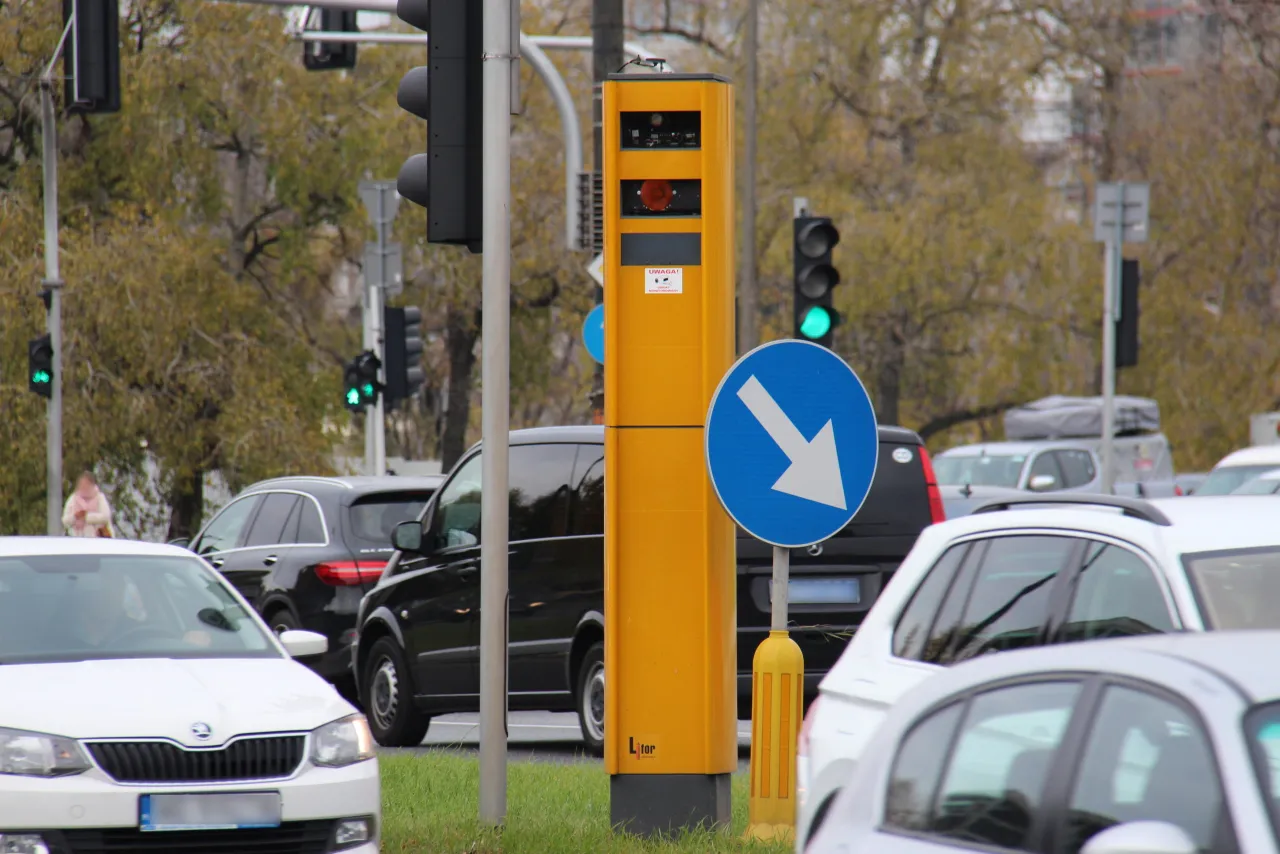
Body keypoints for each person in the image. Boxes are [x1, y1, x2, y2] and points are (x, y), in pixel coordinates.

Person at [62, 471, 113, 538]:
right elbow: (65, 520)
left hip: (99, 539)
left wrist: (86, 517)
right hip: (77, 540)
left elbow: (105, 516)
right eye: (81, 484)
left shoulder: (99, 497)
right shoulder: (73, 498)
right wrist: (75, 517)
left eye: (86, 484)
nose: (83, 486)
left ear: (91, 484)